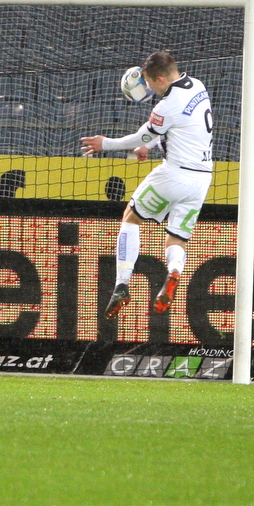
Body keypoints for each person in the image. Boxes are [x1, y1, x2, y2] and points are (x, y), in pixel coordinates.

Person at [81, 50, 213, 320]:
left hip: (174, 175)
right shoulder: (198, 86)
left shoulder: (166, 105)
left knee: (130, 218)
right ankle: (174, 272)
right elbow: (179, 127)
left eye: (151, 83)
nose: (149, 88)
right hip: (201, 180)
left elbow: (144, 133)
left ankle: (121, 285)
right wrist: (149, 145)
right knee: (176, 237)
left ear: (161, 78)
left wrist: (105, 144)